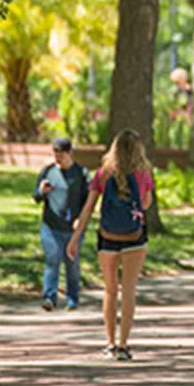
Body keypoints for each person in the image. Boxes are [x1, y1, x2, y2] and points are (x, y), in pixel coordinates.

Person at [68, 129, 156, 361]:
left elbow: (87, 209)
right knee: (128, 291)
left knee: (110, 290)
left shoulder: (102, 174)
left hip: (107, 237)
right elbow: (145, 204)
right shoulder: (143, 174)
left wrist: (75, 238)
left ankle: (109, 342)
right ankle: (124, 345)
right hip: (135, 239)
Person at [35, 137, 89, 310]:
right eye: (55, 153)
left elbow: (88, 201)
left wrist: (81, 219)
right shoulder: (48, 172)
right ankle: (49, 297)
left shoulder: (81, 173)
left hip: (73, 228)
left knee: (72, 263)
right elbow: (36, 197)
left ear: (70, 153)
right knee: (53, 258)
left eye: (61, 154)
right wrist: (41, 192)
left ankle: (72, 298)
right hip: (50, 225)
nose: (58, 158)